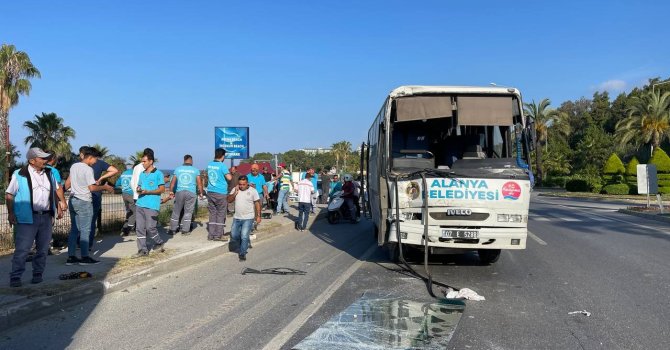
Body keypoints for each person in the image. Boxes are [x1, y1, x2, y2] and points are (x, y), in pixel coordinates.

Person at [6, 148, 66, 287]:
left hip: (45, 216)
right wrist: (10, 213)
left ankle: (38, 274)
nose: (46, 161)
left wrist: (62, 202)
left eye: (46, 158)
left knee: (43, 249)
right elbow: (10, 194)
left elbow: (57, 188)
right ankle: (15, 276)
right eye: (42, 158)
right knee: (23, 249)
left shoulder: (49, 173)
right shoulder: (20, 174)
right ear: (32, 161)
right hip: (27, 218)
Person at [65, 147, 114, 266]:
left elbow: (70, 183)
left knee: (74, 230)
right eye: (95, 159)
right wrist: (105, 187)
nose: (96, 162)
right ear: (90, 157)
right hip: (84, 201)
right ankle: (85, 257)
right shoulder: (88, 170)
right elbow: (91, 188)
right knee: (86, 230)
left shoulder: (74, 166)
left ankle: (71, 257)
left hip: (73, 199)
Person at [132, 153, 166, 258]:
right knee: (140, 228)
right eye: (142, 161)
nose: (142, 163)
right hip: (140, 203)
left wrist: (148, 191)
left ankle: (159, 242)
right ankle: (142, 250)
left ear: (151, 161)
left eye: (144, 161)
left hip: (152, 205)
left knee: (150, 227)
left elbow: (162, 189)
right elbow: (139, 186)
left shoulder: (158, 174)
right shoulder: (142, 174)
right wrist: (138, 189)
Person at [88, 147, 119, 251]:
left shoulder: (81, 164)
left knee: (81, 220)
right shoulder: (100, 163)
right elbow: (115, 170)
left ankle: (80, 242)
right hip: (96, 193)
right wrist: (101, 178)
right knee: (92, 220)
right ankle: (89, 244)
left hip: (83, 193)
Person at [227, 175, 261, 261]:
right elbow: (229, 200)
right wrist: (235, 193)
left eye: (244, 184)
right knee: (234, 235)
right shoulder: (235, 189)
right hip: (237, 217)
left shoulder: (253, 191)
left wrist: (258, 216)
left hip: (248, 218)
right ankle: (244, 244)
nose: (242, 186)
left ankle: (242, 253)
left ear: (247, 183)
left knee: (244, 236)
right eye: (240, 184)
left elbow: (257, 203)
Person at [168, 154, 203, 236]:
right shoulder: (195, 170)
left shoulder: (178, 169)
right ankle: (185, 230)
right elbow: (199, 183)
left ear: (184, 160)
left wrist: (171, 191)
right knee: (188, 212)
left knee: (176, 211)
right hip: (191, 192)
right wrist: (201, 193)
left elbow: (173, 182)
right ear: (191, 160)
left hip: (180, 191)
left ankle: (172, 229)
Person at [206, 148, 233, 241]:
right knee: (221, 214)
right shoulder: (222, 166)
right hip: (220, 192)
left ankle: (211, 235)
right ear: (223, 156)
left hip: (210, 191)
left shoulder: (209, 165)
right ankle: (218, 235)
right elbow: (229, 178)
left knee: (212, 213)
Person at [115, 162, 136, 236]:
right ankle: (130, 229)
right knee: (134, 212)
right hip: (132, 194)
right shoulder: (136, 173)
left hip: (124, 194)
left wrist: (124, 188)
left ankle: (124, 228)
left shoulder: (124, 173)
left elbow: (117, 184)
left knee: (129, 211)